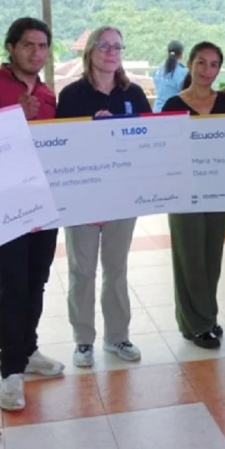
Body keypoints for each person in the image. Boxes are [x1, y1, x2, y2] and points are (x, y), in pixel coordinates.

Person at [0, 17, 65, 412]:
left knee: (37, 281)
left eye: (43, 46)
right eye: (28, 45)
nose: (36, 53)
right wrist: (12, 115)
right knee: (12, 286)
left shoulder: (48, 93)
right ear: (11, 47)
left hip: (43, 201)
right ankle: (10, 371)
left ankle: (28, 351)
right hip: (3, 203)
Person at [56, 25, 151, 367]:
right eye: (104, 46)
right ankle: (83, 340)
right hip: (82, 198)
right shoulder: (71, 96)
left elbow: (149, 143)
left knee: (117, 269)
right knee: (82, 271)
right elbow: (61, 151)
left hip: (122, 199)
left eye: (117, 47)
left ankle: (117, 337)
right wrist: (90, 132)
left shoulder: (134, 95)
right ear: (90, 52)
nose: (111, 52)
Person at [161, 42, 225, 349]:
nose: (207, 71)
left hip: (217, 191)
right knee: (189, 257)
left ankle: (205, 316)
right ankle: (198, 324)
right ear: (190, 65)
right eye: (201, 63)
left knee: (211, 256)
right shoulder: (173, 106)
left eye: (214, 65)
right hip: (184, 192)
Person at [152, 40, 187, 112]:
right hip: (173, 112)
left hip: (157, 110)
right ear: (182, 54)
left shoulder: (158, 70)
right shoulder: (183, 72)